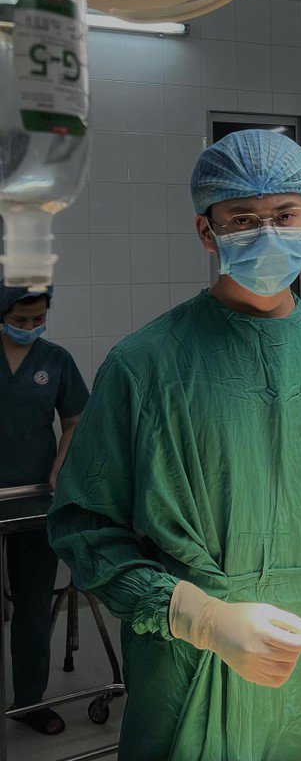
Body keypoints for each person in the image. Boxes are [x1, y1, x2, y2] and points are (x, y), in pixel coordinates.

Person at [48, 129, 301, 761]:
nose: (268, 232)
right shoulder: (144, 366)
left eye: (284, 215)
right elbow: (85, 530)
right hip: (193, 666)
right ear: (207, 232)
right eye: (243, 219)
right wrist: (201, 618)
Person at [0, 282, 89, 735]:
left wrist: (61, 467)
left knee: (33, 605)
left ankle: (29, 701)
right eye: (20, 320)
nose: (30, 327)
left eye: (38, 319)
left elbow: (75, 420)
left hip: (34, 500)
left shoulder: (55, 360)